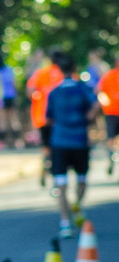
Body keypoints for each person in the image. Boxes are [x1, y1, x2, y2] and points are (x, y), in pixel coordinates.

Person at [45, 52, 99, 238]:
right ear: (75, 68)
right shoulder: (83, 88)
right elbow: (96, 105)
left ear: (59, 69)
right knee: (82, 179)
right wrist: (87, 120)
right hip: (79, 141)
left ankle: (65, 222)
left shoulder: (54, 92)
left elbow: (48, 118)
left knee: (60, 184)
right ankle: (77, 203)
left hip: (59, 141)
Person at [26, 49, 65, 186]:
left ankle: (46, 163)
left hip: (42, 117)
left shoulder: (41, 73)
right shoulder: (65, 74)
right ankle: (56, 175)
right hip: (60, 118)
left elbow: (30, 91)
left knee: (46, 147)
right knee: (59, 147)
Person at [0, 52, 23, 150]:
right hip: (11, 97)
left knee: (2, 121)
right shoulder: (9, 70)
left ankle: (1, 142)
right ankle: (18, 142)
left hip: (0, 98)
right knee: (14, 120)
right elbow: (14, 83)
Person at [95, 51, 119, 176]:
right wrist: (104, 102)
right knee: (110, 138)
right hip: (112, 112)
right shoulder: (109, 76)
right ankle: (111, 156)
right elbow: (99, 91)